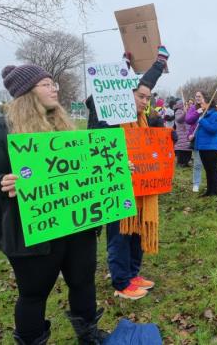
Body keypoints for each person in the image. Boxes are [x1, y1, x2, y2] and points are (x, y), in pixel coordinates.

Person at [0, 64, 107, 344]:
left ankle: (89, 334)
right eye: (46, 84)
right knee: (33, 294)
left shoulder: (65, 128)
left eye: (53, 83)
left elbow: (83, 170)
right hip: (31, 230)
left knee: (83, 282)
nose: (54, 88)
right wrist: (0, 182)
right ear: (26, 93)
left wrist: (111, 168)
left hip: (76, 224)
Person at [87, 47, 170, 301]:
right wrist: (123, 65)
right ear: (124, 95)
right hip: (117, 186)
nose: (145, 102)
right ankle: (121, 281)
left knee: (136, 232)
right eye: (141, 97)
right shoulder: (109, 118)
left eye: (148, 98)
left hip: (141, 188)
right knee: (120, 235)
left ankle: (133, 273)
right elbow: (97, 149)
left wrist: (159, 64)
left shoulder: (144, 121)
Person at [194, 100, 217, 196]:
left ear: (209, 103)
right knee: (207, 169)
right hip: (203, 146)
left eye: (202, 103)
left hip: (212, 147)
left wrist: (202, 121)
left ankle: (215, 191)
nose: (200, 104)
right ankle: (209, 190)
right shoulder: (203, 115)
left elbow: (214, 129)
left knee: (213, 168)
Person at [185, 91, 208, 192]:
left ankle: (210, 183)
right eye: (196, 96)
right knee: (197, 163)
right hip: (196, 138)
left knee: (209, 164)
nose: (198, 98)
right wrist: (197, 112)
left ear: (204, 97)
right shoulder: (193, 108)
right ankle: (196, 184)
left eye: (200, 96)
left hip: (208, 138)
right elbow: (188, 120)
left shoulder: (209, 107)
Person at [173, 100, 192, 167]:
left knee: (187, 149)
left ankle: (186, 162)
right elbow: (179, 119)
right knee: (181, 149)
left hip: (187, 132)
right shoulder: (178, 111)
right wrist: (185, 112)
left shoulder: (188, 110)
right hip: (181, 133)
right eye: (184, 104)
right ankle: (181, 163)